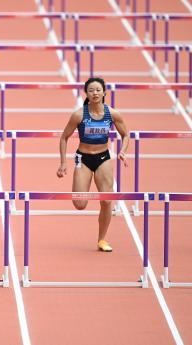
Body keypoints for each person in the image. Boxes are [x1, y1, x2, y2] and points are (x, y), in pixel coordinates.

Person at [56, 77, 129, 252]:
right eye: (91, 90)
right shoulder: (79, 114)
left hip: (103, 158)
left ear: (104, 92)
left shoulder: (112, 114)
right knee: (80, 204)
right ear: (86, 93)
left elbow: (126, 134)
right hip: (84, 158)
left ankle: (102, 239)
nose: (95, 93)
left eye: (98, 90)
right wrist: (63, 162)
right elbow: (64, 137)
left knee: (106, 200)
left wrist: (123, 151)